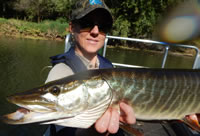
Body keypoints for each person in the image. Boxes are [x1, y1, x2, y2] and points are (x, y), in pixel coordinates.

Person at [44, 0, 136, 135]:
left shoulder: (108, 66)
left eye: (103, 26)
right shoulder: (61, 72)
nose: (95, 31)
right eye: (86, 23)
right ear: (72, 27)